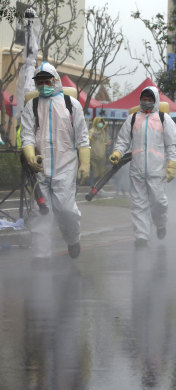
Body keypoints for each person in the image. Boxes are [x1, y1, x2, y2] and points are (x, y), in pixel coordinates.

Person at [20, 62, 90, 260]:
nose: (43, 84)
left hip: (65, 167)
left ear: (56, 80)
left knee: (66, 210)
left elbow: (82, 138)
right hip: (40, 169)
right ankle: (41, 258)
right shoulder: (31, 105)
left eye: (47, 80)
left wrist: (85, 164)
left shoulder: (71, 104)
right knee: (41, 213)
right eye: (39, 81)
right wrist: (30, 155)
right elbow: (27, 136)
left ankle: (72, 238)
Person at [109, 86, 176, 247]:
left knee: (159, 203)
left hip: (157, 170)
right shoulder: (133, 119)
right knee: (139, 204)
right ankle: (141, 235)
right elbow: (123, 141)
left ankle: (160, 223)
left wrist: (172, 165)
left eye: (150, 99)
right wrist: (117, 153)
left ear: (155, 100)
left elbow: (172, 145)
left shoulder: (164, 119)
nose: (146, 102)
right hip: (137, 169)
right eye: (144, 99)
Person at [88, 116, 109, 185]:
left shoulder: (102, 132)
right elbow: (88, 141)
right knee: (94, 172)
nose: (101, 124)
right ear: (96, 122)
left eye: (102, 122)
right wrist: (93, 136)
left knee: (101, 172)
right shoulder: (92, 131)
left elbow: (102, 142)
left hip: (102, 156)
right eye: (99, 122)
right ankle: (92, 186)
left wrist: (107, 143)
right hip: (94, 155)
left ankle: (98, 187)